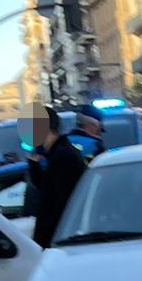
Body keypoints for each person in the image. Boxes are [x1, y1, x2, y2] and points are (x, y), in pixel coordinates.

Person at [26, 106, 90, 249]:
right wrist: (34, 165)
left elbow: (58, 204)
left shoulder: (63, 157)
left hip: (60, 244)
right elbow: (45, 189)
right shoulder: (56, 154)